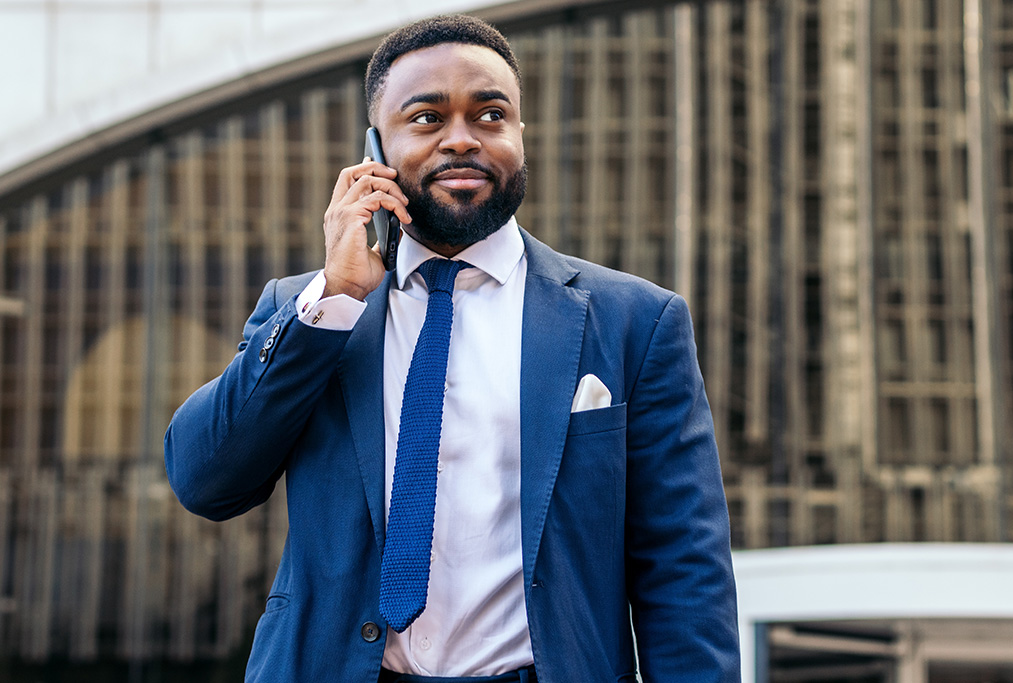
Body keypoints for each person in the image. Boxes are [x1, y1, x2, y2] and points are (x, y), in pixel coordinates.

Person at [165, 14, 739, 683]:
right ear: (375, 146)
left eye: (490, 115)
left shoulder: (635, 320)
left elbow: (683, 566)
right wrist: (335, 298)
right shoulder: (310, 312)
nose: (461, 139)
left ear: (521, 137)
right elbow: (206, 480)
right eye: (427, 118)